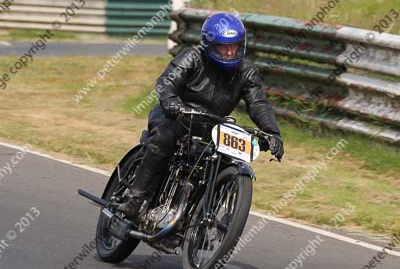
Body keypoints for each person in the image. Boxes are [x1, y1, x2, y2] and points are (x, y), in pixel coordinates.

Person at [118, 12, 284, 221]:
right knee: (165, 138)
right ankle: (136, 198)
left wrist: (272, 132)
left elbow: (258, 103)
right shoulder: (192, 57)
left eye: (234, 46)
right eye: (224, 47)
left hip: (211, 126)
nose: (230, 52)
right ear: (210, 45)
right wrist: (172, 102)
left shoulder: (247, 72)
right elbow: (166, 81)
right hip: (176, 116)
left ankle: (192, 219)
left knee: (223, 160)